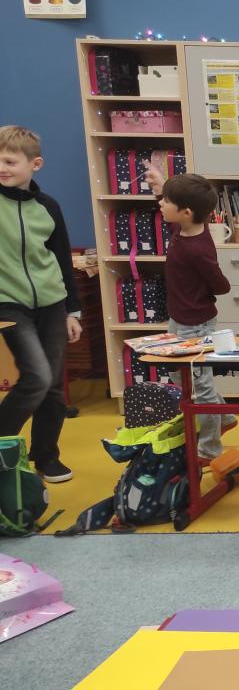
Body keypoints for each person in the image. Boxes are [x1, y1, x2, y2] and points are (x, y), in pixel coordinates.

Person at [0, 126, 81, 482]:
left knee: (53, 387)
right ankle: (2, 446)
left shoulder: (48, 207)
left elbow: (62, 258)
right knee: (36, 377)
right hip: (8, 303)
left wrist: (72, 310)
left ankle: (46, 456)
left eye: (9, 161)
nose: (2, 168)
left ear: (35, 164)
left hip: (52, 303)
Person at [143, 164, 235, 459]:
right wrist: (161, 185)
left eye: (166, 202)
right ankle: (224, 417)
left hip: (196, 324)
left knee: (199, 388)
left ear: (185, 212)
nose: (161, 204)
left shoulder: (196, 249)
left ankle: (210, 448)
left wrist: (207, 289)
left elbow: (221, 285)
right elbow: (175, 209)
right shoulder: (184, 229)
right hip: (179, 318)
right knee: (177, 372)